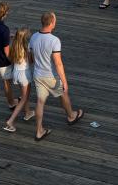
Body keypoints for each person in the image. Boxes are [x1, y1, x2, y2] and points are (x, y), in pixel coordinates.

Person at [30, 12, 84, 141]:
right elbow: (58, 63)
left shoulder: (33, 37)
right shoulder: (54, 40)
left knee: (40, 102)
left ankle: (39, 131)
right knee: (63, 94)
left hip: (38, 75)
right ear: (51, 23)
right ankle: (71, 116)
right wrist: (64, 81)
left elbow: (30, 58)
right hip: (51, 76)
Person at [2, 28, 33, 132]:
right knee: (24, 97)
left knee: (25, 94)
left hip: (16, 73)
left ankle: (28, 113)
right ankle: (10, 121)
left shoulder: (14, 47)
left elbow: (10, 59)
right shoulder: (27, 47)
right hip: (25, 74)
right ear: (26, 39)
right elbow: (32, 61)